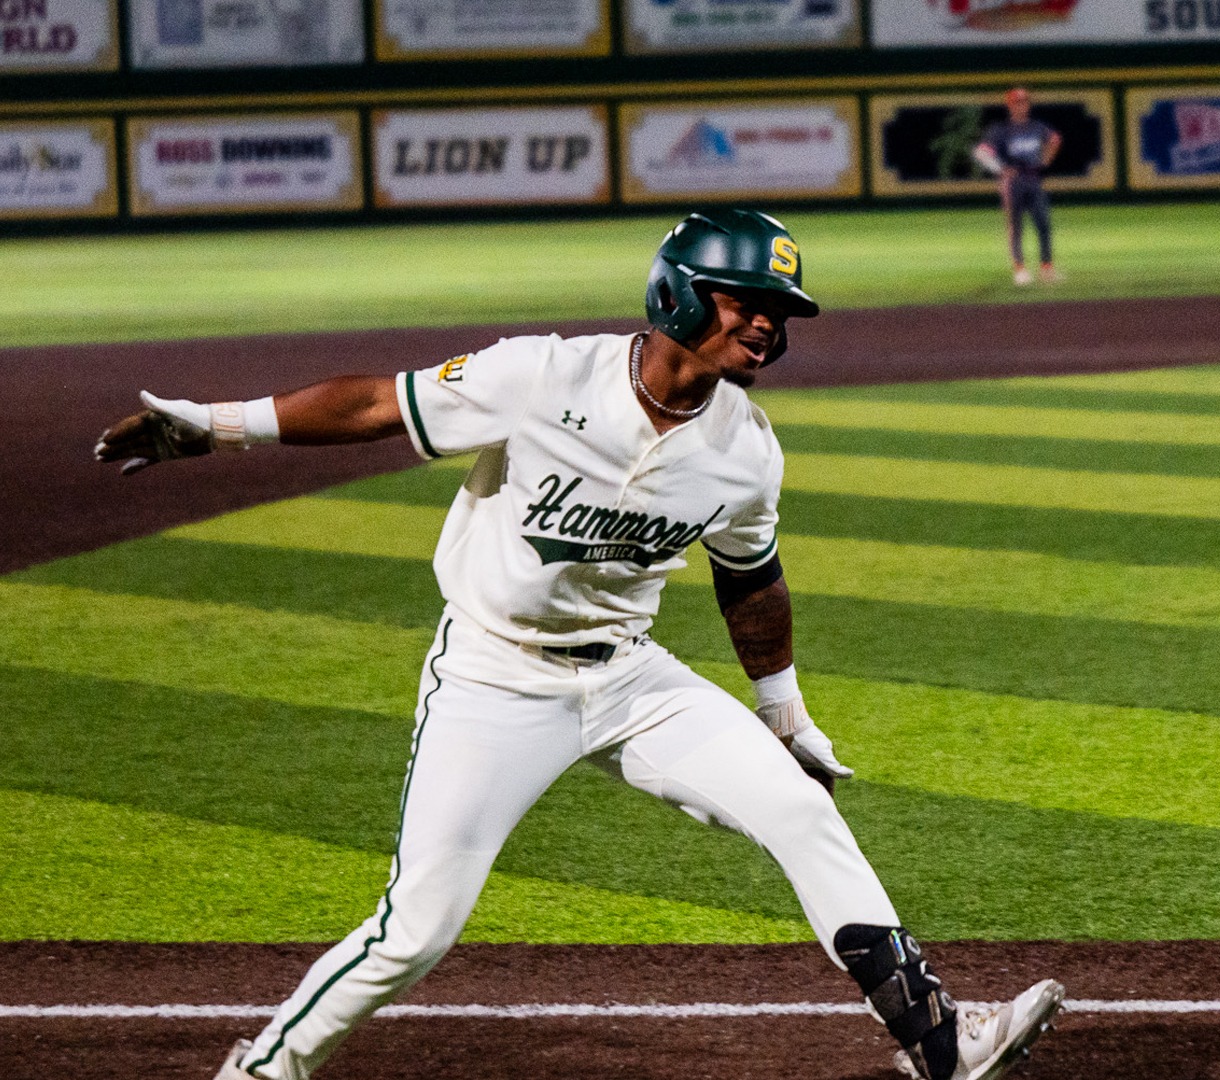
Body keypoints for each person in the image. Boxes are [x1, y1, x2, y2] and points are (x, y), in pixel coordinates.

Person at [94, 209, 1064, 1080]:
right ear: (677, 292)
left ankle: (940, 1045)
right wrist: (216, 428)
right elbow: (378, 404)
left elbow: (751, 578)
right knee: (417, 931)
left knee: (800, 813)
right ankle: (265, 1070)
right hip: (492, 679)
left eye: (782, 312)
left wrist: (786, 712)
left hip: (634, 678)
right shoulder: (541, 377)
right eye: (750, 301)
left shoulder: (747, 447)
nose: (769, 325)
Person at [973, 87, 1062, 286]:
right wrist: (1000, 169)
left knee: (1044, 224)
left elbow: (1055, 140)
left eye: (1024, 102)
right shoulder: (1002, 130)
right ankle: (1020, 269)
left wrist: (1045, 160)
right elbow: (981, 152)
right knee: (1016, 227)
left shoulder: (1036, 127)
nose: (1021, 106)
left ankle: (1046, 268)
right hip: (1013, 182)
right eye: (1017, 102)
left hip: (1033, 179)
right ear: (1010, 105)